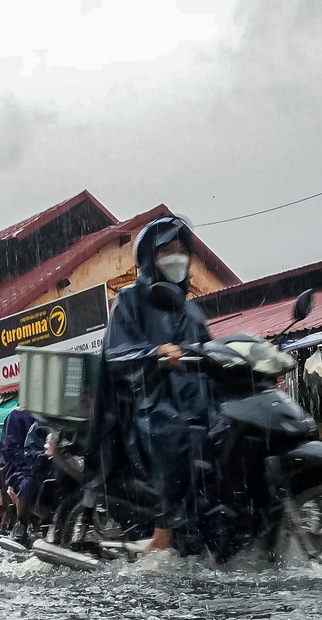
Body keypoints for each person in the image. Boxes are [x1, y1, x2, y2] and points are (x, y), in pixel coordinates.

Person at [94, 215, 214, 553]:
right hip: (142, 406)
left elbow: (210, 350)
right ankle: (164, 532)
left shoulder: (191, 312)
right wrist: (154, 355)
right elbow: (116, 355)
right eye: (166, 251)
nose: (177, 257)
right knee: (174, 431)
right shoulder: (129, 301)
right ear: (149, 258)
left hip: (192, 401)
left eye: (181, 250)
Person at [0, 408, 53, 546]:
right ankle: (21, 523)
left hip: (50, 464)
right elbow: (11, 449)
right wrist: (35, 462)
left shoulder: (52, 415)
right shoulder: (16, 416)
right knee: (27, 483)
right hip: (22, 468)